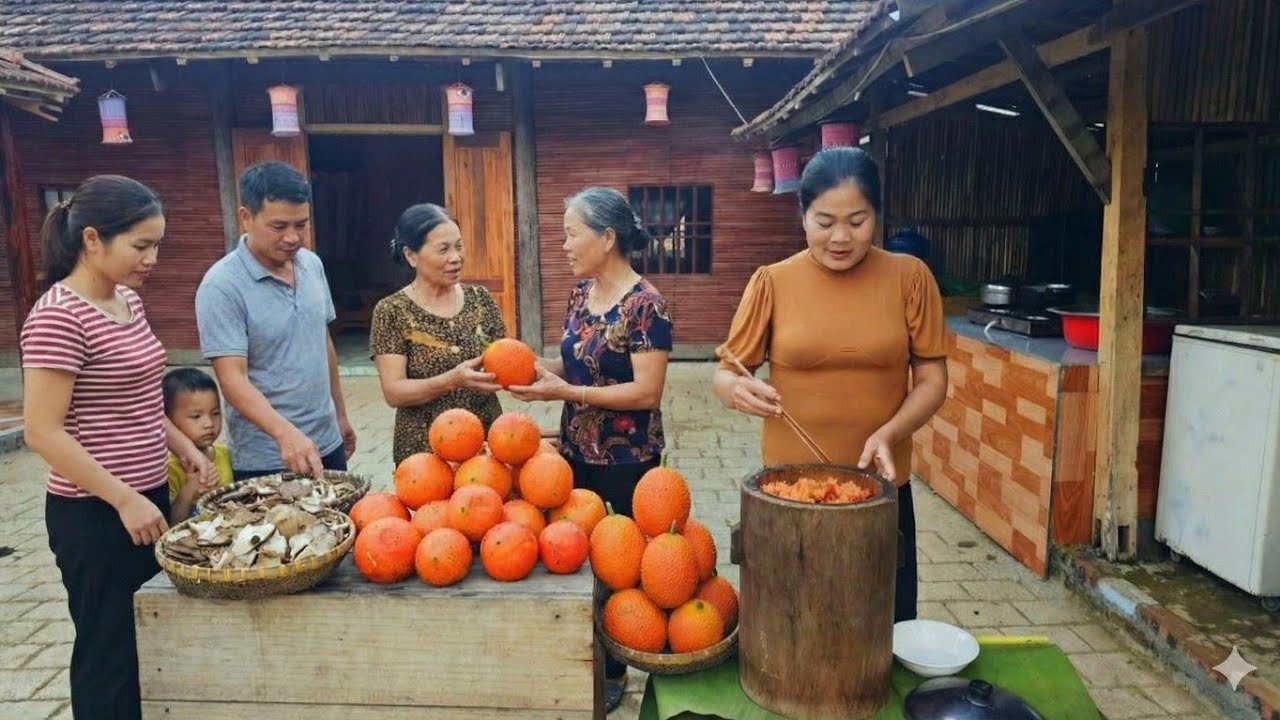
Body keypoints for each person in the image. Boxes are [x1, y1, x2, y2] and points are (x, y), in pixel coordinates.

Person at [711, 146, 948, 624]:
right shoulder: (773, 282)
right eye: (824, 222)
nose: (841, 237)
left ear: (877, 215)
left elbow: (932, 377)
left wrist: (890, 432)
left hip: (881, 491)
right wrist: (734, 390)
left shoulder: (910, 278)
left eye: (857, 221)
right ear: (802, 216)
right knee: (793, 622)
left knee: (883, 621)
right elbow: (727, 370)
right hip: (789, 492)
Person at [21, 175, 212, 720]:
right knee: (109, 651)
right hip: (96, 513)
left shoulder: (125, 299)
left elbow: (139, 398)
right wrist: (123, 498)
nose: (152, 259)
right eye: (141, 245)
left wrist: (181, 448)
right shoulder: (59, 315)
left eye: (158, 245)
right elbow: (43, 431)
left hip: (146, 498)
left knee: (149, 642)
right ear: (91, 240)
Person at [509, 186, 672, 713]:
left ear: (607, 237)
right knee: (578, 562)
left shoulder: (647, 304)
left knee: (621, 568)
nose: (563, 244)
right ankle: (584, 659)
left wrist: (568, 392)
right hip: (576, 455)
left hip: (628, 462)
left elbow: (646, 392)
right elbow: (575, 362)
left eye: (572, 232)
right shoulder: (582, 293)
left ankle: (617, 667)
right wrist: (534, 375)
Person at [196, 161, 356, 480]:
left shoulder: (311, 265)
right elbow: (232, 379)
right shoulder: (222, 286)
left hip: (326, 442)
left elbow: (321, 341)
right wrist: (284, 434)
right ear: (246, 218)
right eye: (279, 226)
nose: (292, 237)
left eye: (302, 224)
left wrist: (339, 414)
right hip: (268, 457)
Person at [370, 203, 505, 466]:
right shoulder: (392, 311)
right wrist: (452, 380)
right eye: (443, 249)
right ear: (411, 256)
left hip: (487, 446)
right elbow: (394, 392)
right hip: (426, 452)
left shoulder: (480, 299)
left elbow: (507, 358)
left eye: (459, 246)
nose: (456, 257)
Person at [163, 368, 234, 522]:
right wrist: (192, 486)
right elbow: (172, 522)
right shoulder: (168, 468)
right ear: (169, 421)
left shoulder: (226, 455)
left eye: (215, 413)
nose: (209, 424)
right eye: (196, 416)